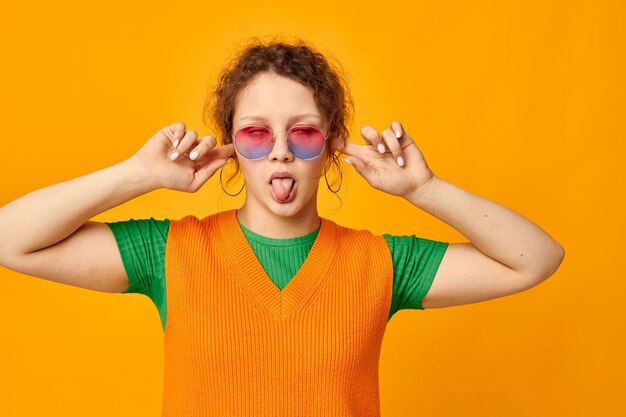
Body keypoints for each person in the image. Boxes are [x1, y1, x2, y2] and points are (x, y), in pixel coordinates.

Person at [0, 38, 564, 416]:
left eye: (304, 133)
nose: (280, 153)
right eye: (255, 133)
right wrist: (137, 175)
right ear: (231, 144)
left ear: (332, 146)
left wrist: (424, 190)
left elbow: (536, 258)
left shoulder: (380, 263)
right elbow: (10, 239)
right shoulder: (172, 251)